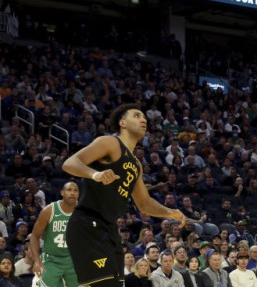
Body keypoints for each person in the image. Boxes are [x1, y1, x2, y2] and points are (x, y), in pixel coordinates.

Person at [62, 103, 186, 287]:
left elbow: (144, 203)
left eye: (144, 117)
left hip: (110, 229)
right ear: (122, 123)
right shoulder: (110, 143)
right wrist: (95, 174)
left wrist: (170, 212)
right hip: (88, 224)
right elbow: (70, 163)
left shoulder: (136, 164)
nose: (143, 119)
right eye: (136, 115)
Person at [30, 181, 80, 287]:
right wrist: (37, 260)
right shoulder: (49, 210)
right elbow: (35, 236)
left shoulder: (82, 211)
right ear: (62, 192)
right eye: (69, 190)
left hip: (73, 259)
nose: (72, 193)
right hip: (51, 259)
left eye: (75, 190)